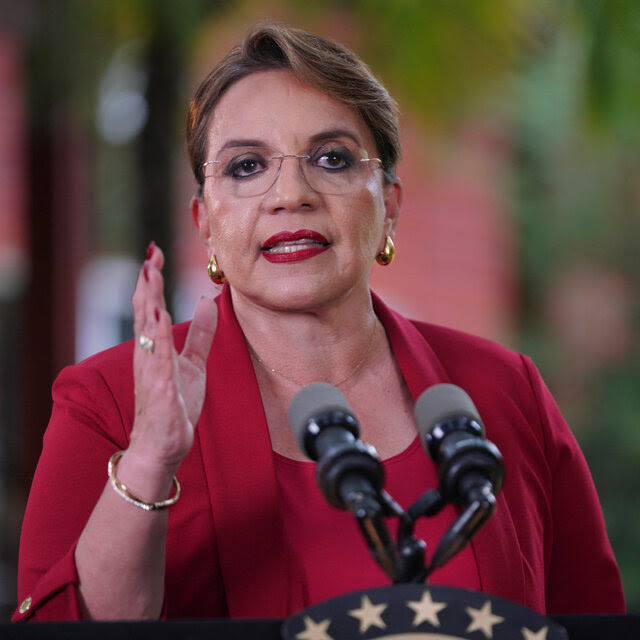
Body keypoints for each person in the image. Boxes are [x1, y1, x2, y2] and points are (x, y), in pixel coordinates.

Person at [13, 22, 624, 622]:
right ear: (205, 223)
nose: (291, 194)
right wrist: (149, 460)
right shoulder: (109, 404)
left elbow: (593, 619)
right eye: (247, 166)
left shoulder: (506, 389)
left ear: (388, 205)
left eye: (331, 158)